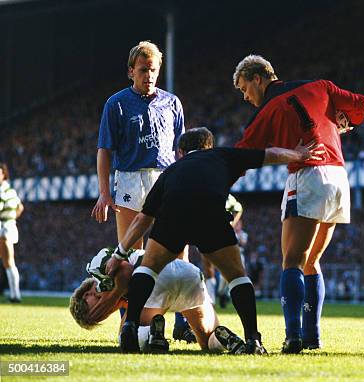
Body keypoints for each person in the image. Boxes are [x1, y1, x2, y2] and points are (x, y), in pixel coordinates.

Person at [105, 127, 324, 354]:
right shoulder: (223, 155)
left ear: (180, 151)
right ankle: (252, 339)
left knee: (148, 269)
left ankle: (130, 326)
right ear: (210, 146)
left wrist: (119, 253)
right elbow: (270, 154)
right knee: (237, 277)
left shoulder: (170, 171)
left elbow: (143, 219)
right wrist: (297, 154)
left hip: (173, 215)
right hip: (211, 214)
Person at [232, 55, 364, 353]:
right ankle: (312, 335)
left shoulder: (267, 110)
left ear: (258, 78)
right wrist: (346, 122)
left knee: (291, 261)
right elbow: (362, 105)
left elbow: (240, 156)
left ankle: (293, 336)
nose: (245, 97)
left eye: (245, 88)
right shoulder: (320, 86)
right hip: (338, 177)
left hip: (307, 177)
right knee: (311, 261)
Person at [90, 40, 192, 341]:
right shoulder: (116, 103)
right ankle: (130, 322)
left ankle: (183, 323)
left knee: (178, 251)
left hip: (165, 178)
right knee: (130, 256)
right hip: (130, 180)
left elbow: (181, 150)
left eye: (154, 70)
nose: (149, 75)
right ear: (131, 71)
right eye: (143, 69)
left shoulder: (172, 103)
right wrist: (104, 192)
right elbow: (104, 151)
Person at [70, 248, 246, 353]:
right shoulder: (114, 297)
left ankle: (153, 333)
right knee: (208, 342)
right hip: (187, 272)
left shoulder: (97, 268)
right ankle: (224, 338)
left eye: (94, 313)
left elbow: (125, 270)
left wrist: (112, 297)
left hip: (154, 276)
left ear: (85, 295)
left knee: (125, 337)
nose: (102, 315)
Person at [0, 163, 24, 303]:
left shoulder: (4, 191)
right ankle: (15, 294)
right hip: (8, 226)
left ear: (4, 175)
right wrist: (12, 218)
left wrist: (9, 219)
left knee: (8, 262)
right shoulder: (11, 191)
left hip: (4, 228)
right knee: (8, 262)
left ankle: (15, 295)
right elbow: (20, 207)